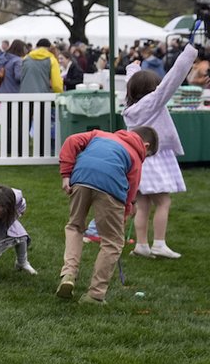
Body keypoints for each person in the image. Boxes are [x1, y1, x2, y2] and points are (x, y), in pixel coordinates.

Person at [56, 126, 159, 305]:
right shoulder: (135, 156)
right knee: (112, 242)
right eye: (148, 154)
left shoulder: (99, 135)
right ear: (146, 144)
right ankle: (95, 295)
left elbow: (71, 141)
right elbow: (131, 190)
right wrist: (126, 213)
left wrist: (66, 174)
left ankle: (69, 274)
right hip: (111, 189)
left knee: (74, 226)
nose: (145, 157)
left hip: (80, 178)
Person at [121, 43, 198, 260]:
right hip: (155, 157)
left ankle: (142, 245)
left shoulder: (130, 106)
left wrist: (132, 68)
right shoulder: (153, 101)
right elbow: (174, 76)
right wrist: (190, 52)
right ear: (151, 89)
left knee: (143, 204)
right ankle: (159, 244)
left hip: (139, 159)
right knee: (163, 202)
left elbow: (132, 83)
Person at [20, 38, 63, 155]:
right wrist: (59, 92)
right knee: (42, 124)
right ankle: (41, 150)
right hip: (43, 96)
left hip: (24, 96)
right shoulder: (51, 60)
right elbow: (56, 84)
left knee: (24, 124)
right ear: (49, 47)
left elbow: (20, 76)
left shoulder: (26, 58)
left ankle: (21, 149)